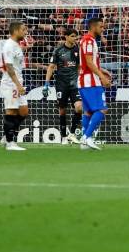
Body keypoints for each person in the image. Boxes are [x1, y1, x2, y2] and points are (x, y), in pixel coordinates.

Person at [78, 16, 112, 152]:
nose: (103, 29)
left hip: (85, 81)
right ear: (93, 27)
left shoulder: (90, 40)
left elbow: (89, 61)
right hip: (90, 81)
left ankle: (84, 142)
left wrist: (103, 70)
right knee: (102, 109)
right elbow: (89, 62)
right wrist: (102, 77)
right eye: (101, 27)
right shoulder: (88, 40)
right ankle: (87, 137)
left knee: (88, 112)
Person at [44, 28, 83, 145]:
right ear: (66, 37)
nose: (75, 38)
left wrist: (79, 78)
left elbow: (79, 66)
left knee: (79, 107)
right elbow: (51, 67)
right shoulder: (58, 50)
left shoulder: (78, 50)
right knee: (62, 110)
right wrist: (46, 84)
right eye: (72, 36)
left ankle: (71, 134)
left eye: (76, 36)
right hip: (61, 84)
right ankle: (64, 137)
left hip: (74, 84)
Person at [0, 21, 29, 152]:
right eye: (23, 30)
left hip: (18, 82)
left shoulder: (17, 45)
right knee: (11, 111)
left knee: (24, 112)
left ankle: (7, 136)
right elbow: (9, 67)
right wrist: (18, 85)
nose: (25, 32)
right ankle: (10, 143)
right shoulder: (8, 46)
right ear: (16, 31)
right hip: (11, 83)